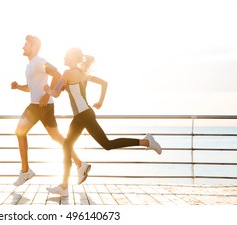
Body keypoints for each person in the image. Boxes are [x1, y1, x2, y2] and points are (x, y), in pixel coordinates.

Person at [44, 47, 162, 196]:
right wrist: (100, 101)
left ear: (73, 58)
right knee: (67, 145)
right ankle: (66, 184)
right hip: (82, 115)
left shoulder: (67, 73)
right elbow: (104, 83)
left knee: (107, 144)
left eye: (66, 56)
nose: (63, 58)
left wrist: (47, 88)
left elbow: (55, 93)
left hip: (84, 115)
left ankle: (146, 141)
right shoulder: (82, 74)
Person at [11, 35, 91, 186]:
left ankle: (25, 170)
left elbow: (58, 74)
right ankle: (80, 164)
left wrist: (47, 95)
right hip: (44, 106)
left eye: (26, 44)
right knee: (57, 137)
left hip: (38, 106)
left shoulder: (39, 62)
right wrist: (18, 87)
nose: (23, 47)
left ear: (34, 46)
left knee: (19, 131)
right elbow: (31, 88)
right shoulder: (30, 65)